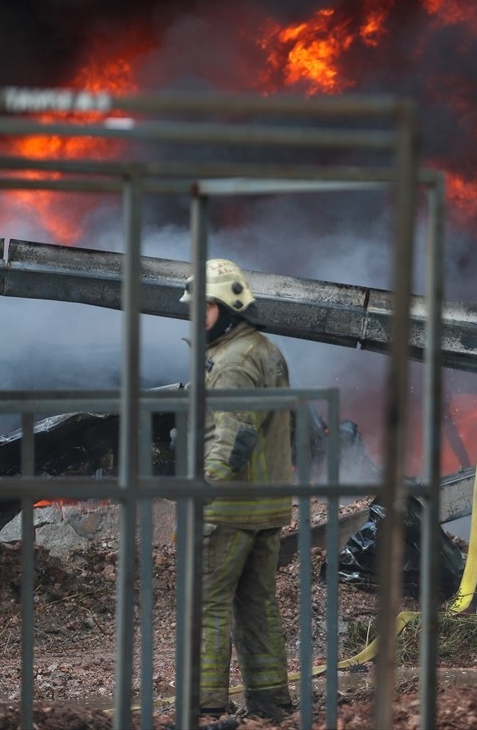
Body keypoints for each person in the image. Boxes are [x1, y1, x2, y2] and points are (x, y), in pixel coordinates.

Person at [179, 258, 294, 720]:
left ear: (229, 307)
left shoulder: (231, 362)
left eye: (203, 308)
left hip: (229, 507)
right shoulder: (265, 350)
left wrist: (204, 487)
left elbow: (235, 436)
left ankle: (204, 705)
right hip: (267, 504)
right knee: (257, 605)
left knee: (203, 603)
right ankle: (270, 701)